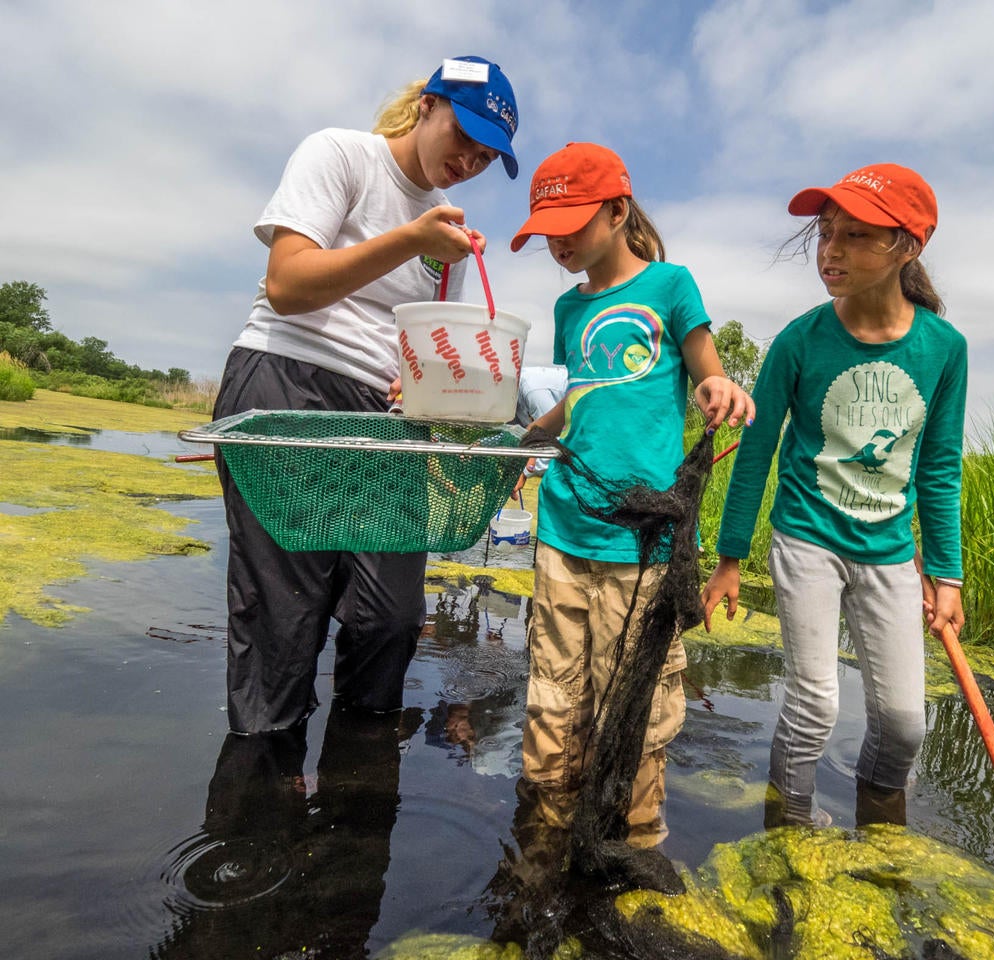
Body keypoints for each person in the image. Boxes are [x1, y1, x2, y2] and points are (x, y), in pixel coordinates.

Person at [211, 56, 520, 735]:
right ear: (428, 105)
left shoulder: (449, 237)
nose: (469, 158)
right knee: (283, 616)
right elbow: (289, 287)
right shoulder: (341, 155)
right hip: (287, 381)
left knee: (390, 616)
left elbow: (429, 344)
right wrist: (407, 238)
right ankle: (264, 794)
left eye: (487, 154)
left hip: (383, 418)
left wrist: (426, 382)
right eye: (464, 134)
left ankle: (358, 789)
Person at [700, 164, 967, 828]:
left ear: (907, 247)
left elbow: (938, 468)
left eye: (855, 236)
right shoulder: (800, 340)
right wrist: (731, 557)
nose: (831, 251)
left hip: (889, 553)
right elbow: (756, 454)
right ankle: (786, 831)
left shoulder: (944, 350)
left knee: (905, 723)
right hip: (806, 539)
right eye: (826, 233)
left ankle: (880, 834)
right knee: (815, 703)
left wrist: (946, 573)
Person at [509, 142, 754, 846]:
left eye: (572, 225)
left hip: (642, 542)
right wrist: (528, 435)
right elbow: (579, 402)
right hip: (564, 525)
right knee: (554, 697)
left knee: (635, 705)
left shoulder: (672, 288)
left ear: (617, 211)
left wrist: (716, 387)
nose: (558, 242)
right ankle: (547, 832)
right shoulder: (566, 306)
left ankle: (635, 839)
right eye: (547, 232)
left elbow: (708, 371)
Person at [512, 364, 568, 483]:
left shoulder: (532, 390)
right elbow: (513, 435)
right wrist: (482, 444)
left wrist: (524, 471)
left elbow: (553, 446)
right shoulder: (511, 398)